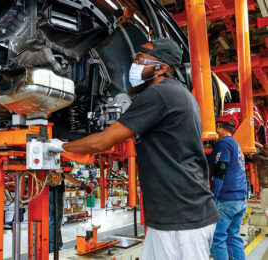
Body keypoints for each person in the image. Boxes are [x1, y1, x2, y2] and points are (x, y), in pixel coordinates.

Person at [48, 38, 220, 259]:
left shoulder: (160, 94)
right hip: (173, 215)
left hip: (180, 219)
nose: (135, 64)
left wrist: (60, 146)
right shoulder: (177, 94)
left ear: (161, 68)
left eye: (141, 59)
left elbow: (103, 141)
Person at [209, 116, 247, 260]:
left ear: (219, 126)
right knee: (233, 236)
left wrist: (213, 196)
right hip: (240, 199)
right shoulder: (235, 144)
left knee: (218, 238)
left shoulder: (223, 143)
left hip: (227, 200)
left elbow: (220, 170)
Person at [254, 142, 268, 224]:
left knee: (266, 209)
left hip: (266, 188)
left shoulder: (262, 160)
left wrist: (253, 141)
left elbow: (251, 156)